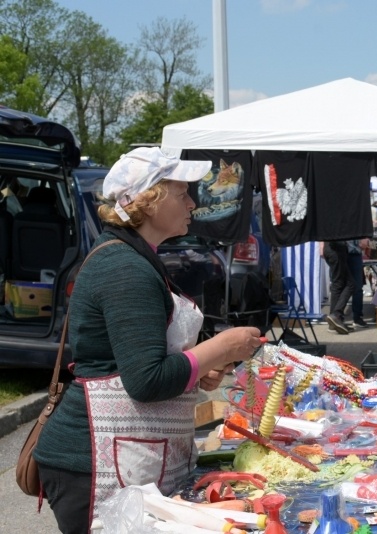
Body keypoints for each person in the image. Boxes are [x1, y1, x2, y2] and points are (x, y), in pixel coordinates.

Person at [32, 147, 263, 534]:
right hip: (90, 461)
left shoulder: (136, 258)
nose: (192, 201)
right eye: (182, 193)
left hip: (125, 450)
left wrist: (196, 365)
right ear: (149, 200)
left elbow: (137, 357)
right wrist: (218, 349)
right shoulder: (124, 267)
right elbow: (145, 380)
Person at [322, 240, 353, 335]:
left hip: (331, 248)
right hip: (336, 249)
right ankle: (336, 315)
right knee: (348, 284)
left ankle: (334, 321)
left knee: (339, 284)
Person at [345, 238, 370, 328]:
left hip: (341, 252)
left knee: (339, 287)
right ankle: (357, 317)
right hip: (353, 253)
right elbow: (363, 243)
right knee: (357, 287)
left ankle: (337, 316)